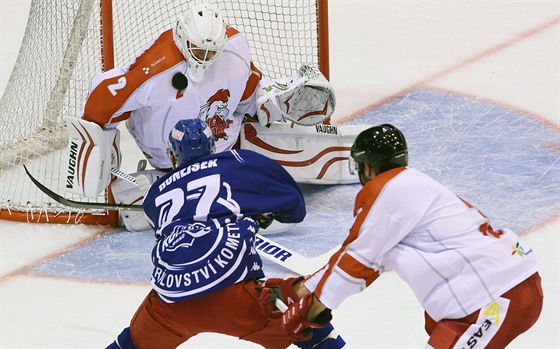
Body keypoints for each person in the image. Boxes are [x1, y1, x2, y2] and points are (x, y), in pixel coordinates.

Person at [260, 124, 543, 348]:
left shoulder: (385, 191)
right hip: (505, 289)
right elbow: (361, 257)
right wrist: (301, 290)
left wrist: (312, 309)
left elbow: (358, 261)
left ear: (367, 166)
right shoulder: (411, 186)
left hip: (493, 299)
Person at [64, 2, 336, 232]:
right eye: (198, 49)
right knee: (134, 211)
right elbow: (103, 99)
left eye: (211, 51)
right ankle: (168, 182)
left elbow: (246, 94)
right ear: (181, 38)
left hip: (224, 152)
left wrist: (271, 102)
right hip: (171, 164)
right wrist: (101, 155)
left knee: (147, 210)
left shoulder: (235, 49)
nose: (205, 57)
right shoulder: (154, 71)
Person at [106, 119, 345, 349]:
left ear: (172, 155)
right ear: (213, 146)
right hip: (235, 297)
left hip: (172, 302)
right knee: (306, 321)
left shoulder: (154, 196)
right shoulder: (240, 160)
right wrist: (262, 214)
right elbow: (294, 207)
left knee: (131, 344)